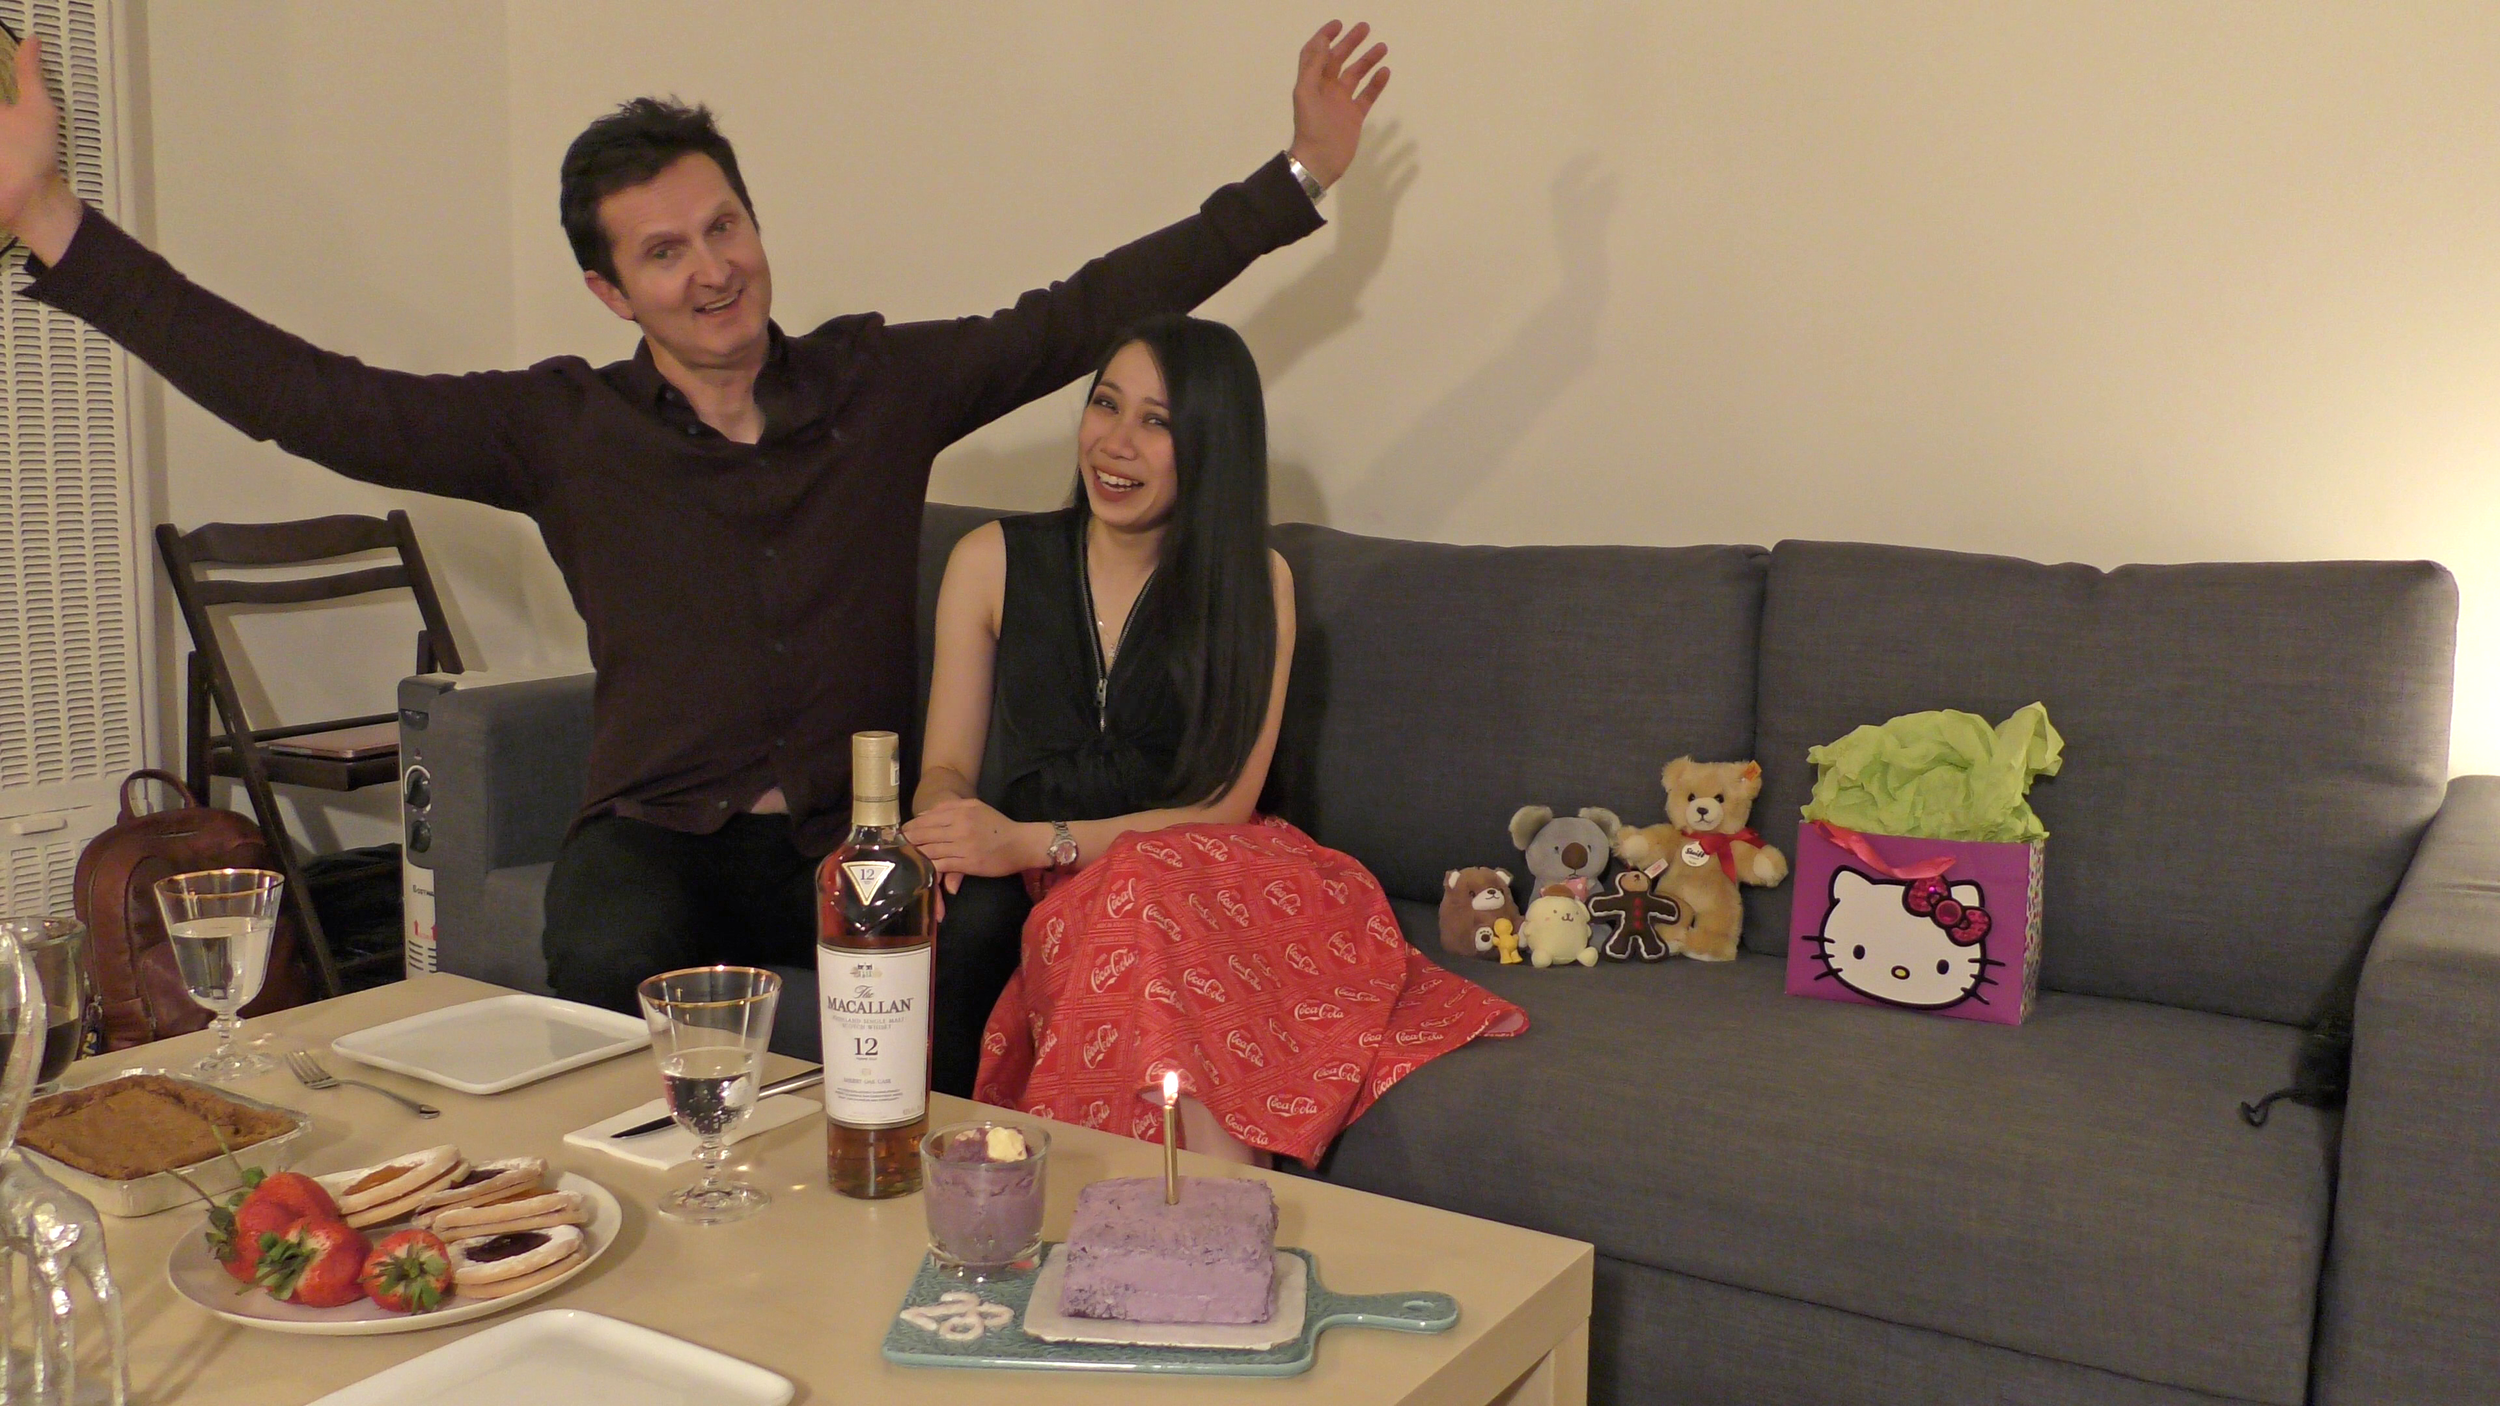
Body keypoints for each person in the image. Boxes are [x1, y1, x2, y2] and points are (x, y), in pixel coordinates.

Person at [0, 22, 1390, 1014]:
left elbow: (1078, 313)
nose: (714, 269)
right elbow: (311, 399)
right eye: (666, 252)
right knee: (605, 936)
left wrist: (1293, 183)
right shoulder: (560, 428)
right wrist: (56, 220)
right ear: (613, 292)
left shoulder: (878, 386)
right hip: (657, 834)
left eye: (725, 227)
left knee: (970, 949)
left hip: (851, 836)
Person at [904, 315, 1525, 1164]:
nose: (1115, 443)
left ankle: (1211, 1212)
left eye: (1156, 422)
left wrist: (1029, 841)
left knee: (1138, 893)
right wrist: (944, 824)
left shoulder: (1254, 582)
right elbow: (944, 766)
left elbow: (1224, 805)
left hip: (1213, 871)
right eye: (1105, 405)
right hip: (1061, 881)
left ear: (1210, 445)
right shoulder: (990, 560)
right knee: (1101, 906)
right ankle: (1214, 1218)